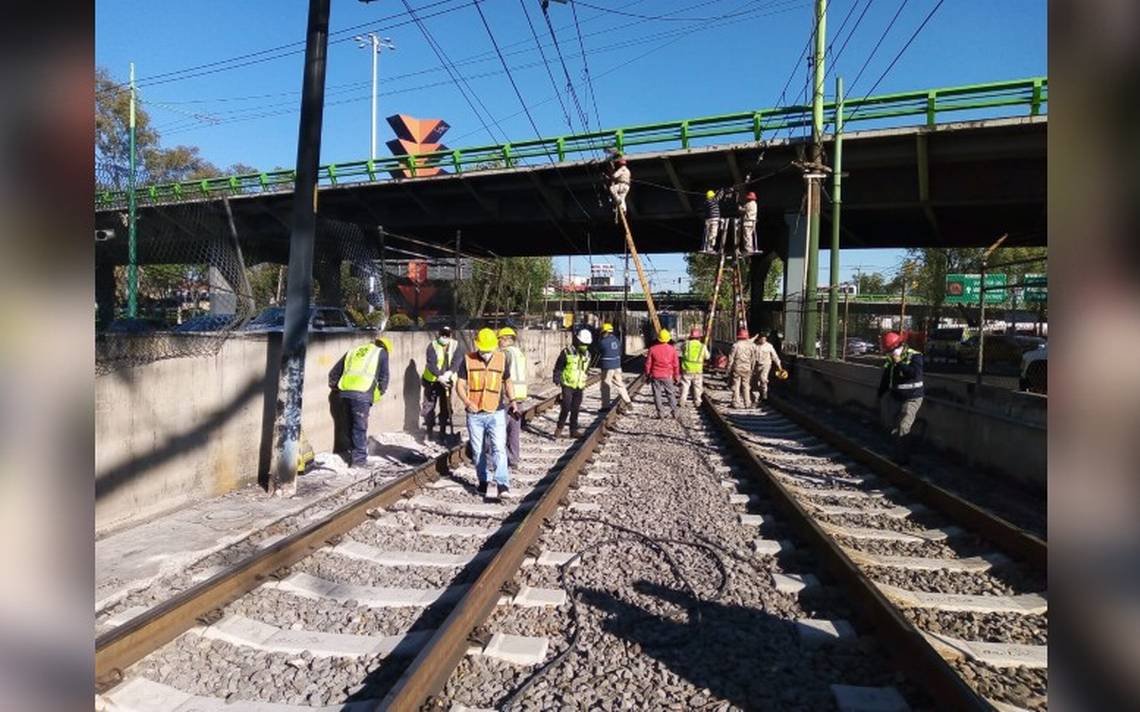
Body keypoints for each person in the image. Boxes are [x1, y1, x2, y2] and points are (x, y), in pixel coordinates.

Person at [456, 328, 518, 499]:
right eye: (484, 349)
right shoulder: (468, 360)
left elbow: (507, 381)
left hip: (496, 412)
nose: (486, 353)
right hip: (475, 414)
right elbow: (459, 385)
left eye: (489, 349)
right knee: (477, 450)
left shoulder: (501, 359)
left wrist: (513, 401)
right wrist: (467, 402)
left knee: (499, 448)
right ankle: (483, 481)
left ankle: (502, 484)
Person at [327, 335, 392, 467]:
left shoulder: (354, 351)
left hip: (344, 393)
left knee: (347, 425)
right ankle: (359, 461)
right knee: (359, 428)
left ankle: (347, 454)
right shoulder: (382, 353)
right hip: (362, 393)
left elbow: (334, 373)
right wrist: (379, 393)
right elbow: (384, 377)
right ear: (385, 347)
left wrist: (336, 387)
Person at [876, 331, 925, 464]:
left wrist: (899, 362)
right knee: (893, 427)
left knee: (904, 426)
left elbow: (913, 373)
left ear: (897, 346)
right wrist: (880, 395)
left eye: (889, 350)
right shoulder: (890, 359)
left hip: (913, 398)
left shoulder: (915, 356)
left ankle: (903, 460)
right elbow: (886, 377)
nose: (888, 353)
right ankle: (897, 455)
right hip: (896, 397)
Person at [552, 328, 593, 438]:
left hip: (579, 386)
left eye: (586, 344)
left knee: (575, 408)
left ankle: (573, 430)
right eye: (583, 343)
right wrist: (556, 378)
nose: (584, 346)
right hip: (567, 384)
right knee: (566, 406)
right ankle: (559, 427)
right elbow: (559, 366)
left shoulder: (588, 355)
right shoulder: (567, 352)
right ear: (577, 341)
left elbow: (587, 369)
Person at [496, 327, 527, 469]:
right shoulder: (519, 352)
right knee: (514, 430)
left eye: (499, 339)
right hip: (519, 395)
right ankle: (514, 459)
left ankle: (499, 458)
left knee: (500, 429)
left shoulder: (505, 354)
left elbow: (502, 375)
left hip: (508, 396)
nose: (498, 342)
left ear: (506, 339)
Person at [420, 326, 457, 441]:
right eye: (442, 334)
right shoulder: (432, 345)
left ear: (451, 335)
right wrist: (439, 376)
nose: (444, 337)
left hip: (447, 381)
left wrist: (449, 373)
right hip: (432, 381)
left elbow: (457, 361)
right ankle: (429, 431)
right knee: (429, 406)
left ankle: (442, 432)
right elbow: (431, 363)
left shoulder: (456, 345)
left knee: (445, 407)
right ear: (439, 334)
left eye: (447, 335)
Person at [644, 328, 680, 419]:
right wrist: (676, 375)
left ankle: (660, 413)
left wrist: (647, 374)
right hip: (667, 375)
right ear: (668, 339)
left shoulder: (652, 349)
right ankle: (675, 412)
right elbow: (676, 364)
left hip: (655, 376)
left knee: (657, 394)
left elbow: (648, 363)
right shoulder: (672, 349)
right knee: (670, 394)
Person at [597, 323, 631, 412]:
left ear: (604, 332)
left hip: (607, 367)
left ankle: (605, 406)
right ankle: (628, 401)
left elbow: (598, 350)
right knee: (620, 384)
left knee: (605, 386)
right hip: (617, 366)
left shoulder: (603, 342)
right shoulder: (616, 340)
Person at [679, 327, 711, 407]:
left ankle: (682, 401)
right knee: (697, 386)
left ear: (690, 336)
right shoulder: (702, 346)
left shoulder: (686, 344)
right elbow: (707, 357)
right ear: (699, 337)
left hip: (687, 368)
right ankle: (697, 402)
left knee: (685, 386)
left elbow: (681, 349)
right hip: (698, 370)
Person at [726, 328, 757, 408]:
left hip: (737, 368)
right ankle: (747, 403)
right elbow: (753, 358)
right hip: (747, 368)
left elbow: (731, 358)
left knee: (736, 385)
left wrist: (729, 368)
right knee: (746, 385)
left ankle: (736, 402)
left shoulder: (735, 345)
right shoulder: (751, 346)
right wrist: (752, 367)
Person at [751, 332, 783, 403]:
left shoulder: (769, 346)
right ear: (759, 339)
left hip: (766, 364)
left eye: (764, 339)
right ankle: (756, 398)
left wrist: (779, 366)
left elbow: (774, 356)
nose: (763, 340)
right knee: (755, 381)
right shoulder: (755, 346)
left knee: (763, 378)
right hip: (756, 365)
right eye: (761, 339)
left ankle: (764, 394)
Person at [609, 157, 631, 223]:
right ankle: (624, 210)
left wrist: (611, 174)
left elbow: (614, 176)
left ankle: (617, 198)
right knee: (623, 198)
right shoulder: (628, 170)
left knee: (612, 188)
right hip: (627, 186)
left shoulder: (622, 169)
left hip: (622, 185)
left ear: (620, 164)